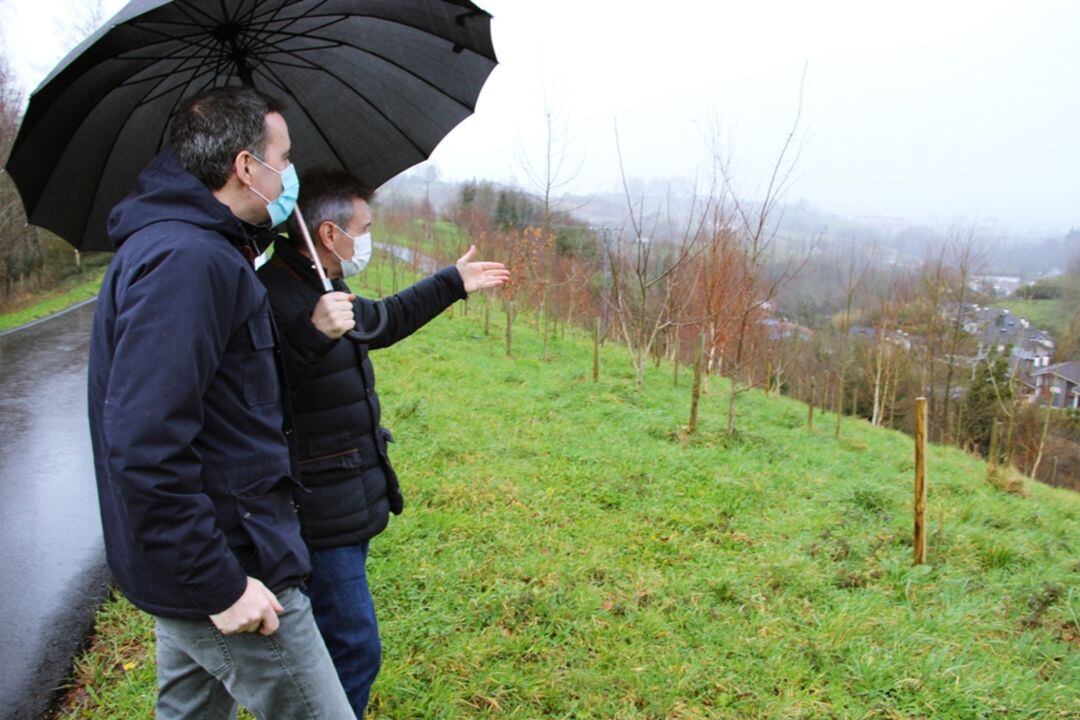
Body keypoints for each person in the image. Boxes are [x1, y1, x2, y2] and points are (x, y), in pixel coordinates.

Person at [87, 87, 355, 719]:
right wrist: (220, 584)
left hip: (198, 559)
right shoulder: (189, 260)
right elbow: (143, 445)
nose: (290, 174)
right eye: (283, 159)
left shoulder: (199, 246)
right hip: (233, 566)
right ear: (245, 168)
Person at [257, 168, 509, 715]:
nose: (368, 237)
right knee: (354, 648)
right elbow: (254, 398)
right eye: (363, 227)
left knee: (333, 640)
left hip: (343, 495)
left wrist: (450, 282)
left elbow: (381, 321)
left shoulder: (320, 282)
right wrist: (310, 335)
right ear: (329, 233)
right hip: (316, 507)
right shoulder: (274, 294)